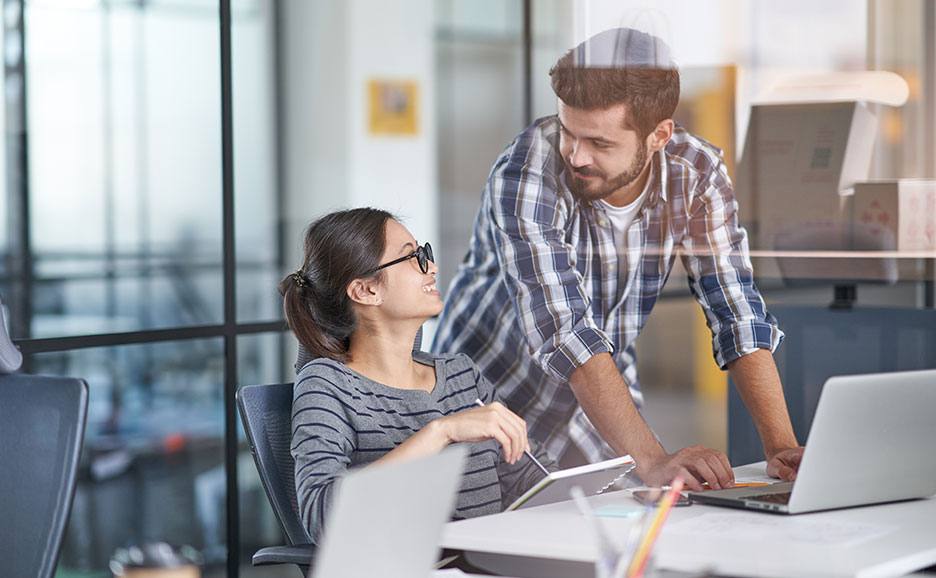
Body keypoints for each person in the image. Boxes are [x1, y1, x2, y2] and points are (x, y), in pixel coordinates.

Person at [432, 27, 804, 491]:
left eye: (601, 144)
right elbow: (567, 333)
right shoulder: (529, 169)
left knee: (631, 540)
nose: (577, 155)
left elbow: (737, 312)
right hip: (484, 401)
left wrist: (782, 450)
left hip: (596, 411)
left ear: (659, 136)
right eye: (569, 133)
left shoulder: (696, 174)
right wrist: (651, 460)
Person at [280, 208, 556, 542]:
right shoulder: (327, 385)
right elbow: (322, 517)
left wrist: (587, 496)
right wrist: (441, 432)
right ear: (365, 291)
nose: (433, 267)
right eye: (413, 258)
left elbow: (534, 477)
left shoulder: (461, 375)